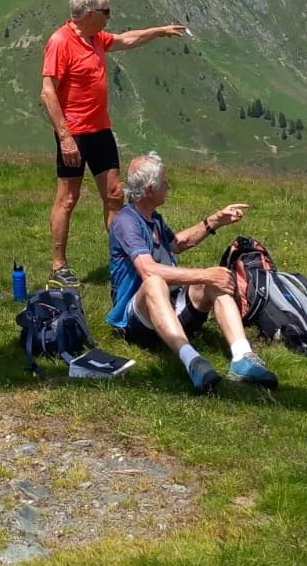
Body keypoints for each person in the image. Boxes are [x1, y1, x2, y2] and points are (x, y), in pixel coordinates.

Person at [41, 0, 190, 289]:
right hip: (75, 134)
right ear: (91, 13)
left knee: (114, 195)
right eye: (106, 11)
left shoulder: (96, 38)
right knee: (68, 198)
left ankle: (123, 258)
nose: (110, 17)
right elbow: (47, 92)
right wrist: (65, 137)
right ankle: (59, 266)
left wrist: (159, 31)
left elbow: (125, 39)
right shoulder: (60, 41)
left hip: (101, 130)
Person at [106, 151, 279, 391]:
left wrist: (216, 220)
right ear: (149, 189)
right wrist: (204, 274)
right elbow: (147, 270)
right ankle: (193, 362)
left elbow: (177, 244)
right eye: (163, 181)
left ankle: (243, 358)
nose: (168, 185)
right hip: (137, 320)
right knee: (156, 282)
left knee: (216, 277)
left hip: (171, 304)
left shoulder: (153, 218)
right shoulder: (127, 221)